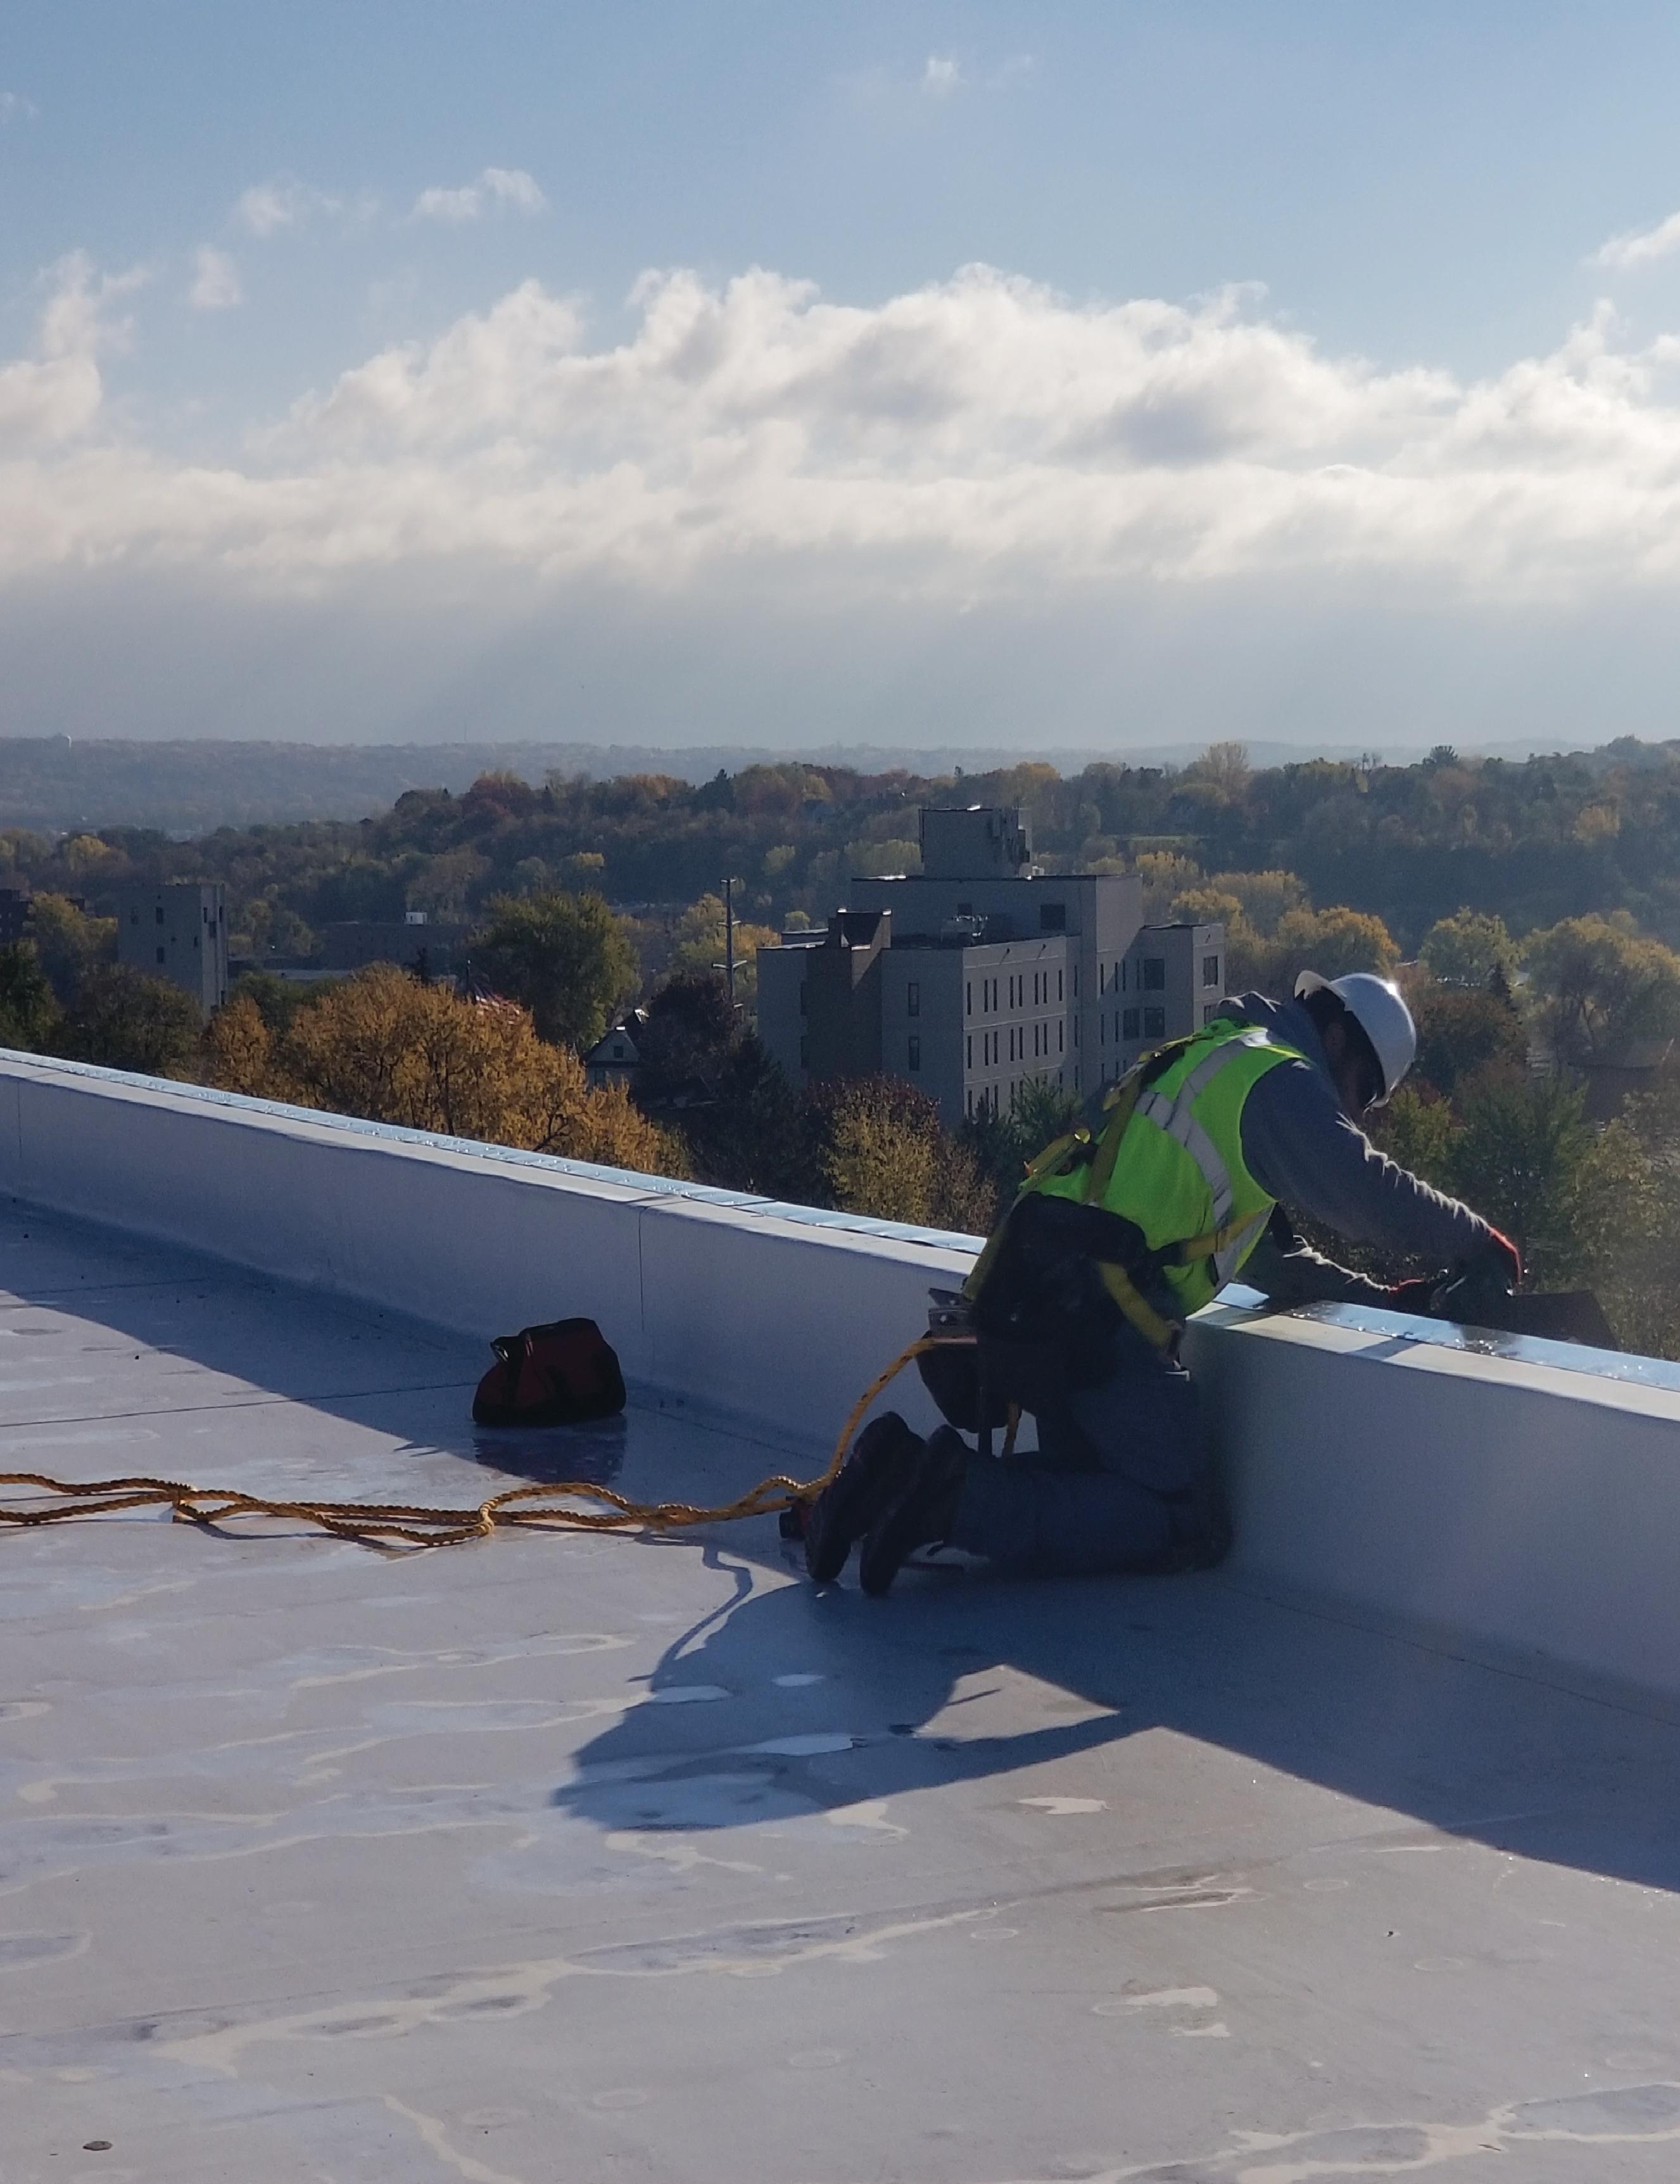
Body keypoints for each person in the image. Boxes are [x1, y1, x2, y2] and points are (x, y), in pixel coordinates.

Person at [802, 969, 1522, 1597]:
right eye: (1364, 1091)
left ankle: (890, 1473)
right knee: (1183, 1521)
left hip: (1039, 1293)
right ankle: (948, 1498)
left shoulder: (1211, 1057)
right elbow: (1362, 1192)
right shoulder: (1280, 1082)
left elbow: (1270, 1260)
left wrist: (1377, 1299)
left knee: (1088, 1483)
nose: (1357, 1113)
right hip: (1098, 1320)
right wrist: (1474, 1238)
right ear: (1336, 1039)